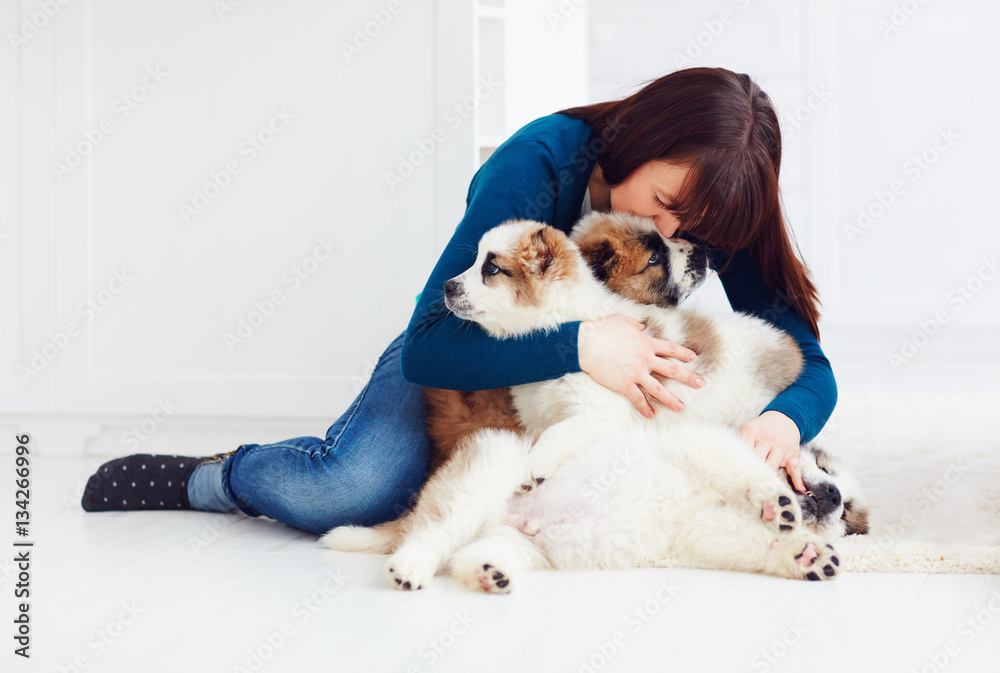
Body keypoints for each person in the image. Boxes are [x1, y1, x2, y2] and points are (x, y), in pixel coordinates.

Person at [82, 67, 836, 535]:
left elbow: (813, 367)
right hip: (471, 348)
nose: (671, 231)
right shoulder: (540, 160)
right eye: (665, 201)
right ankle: (213, 477)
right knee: (351, 489)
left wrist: (781, 417)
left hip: (571, 398)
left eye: (694, 226)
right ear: (642, 133)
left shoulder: (709, 208)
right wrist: (585, 345)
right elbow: (431, 345)